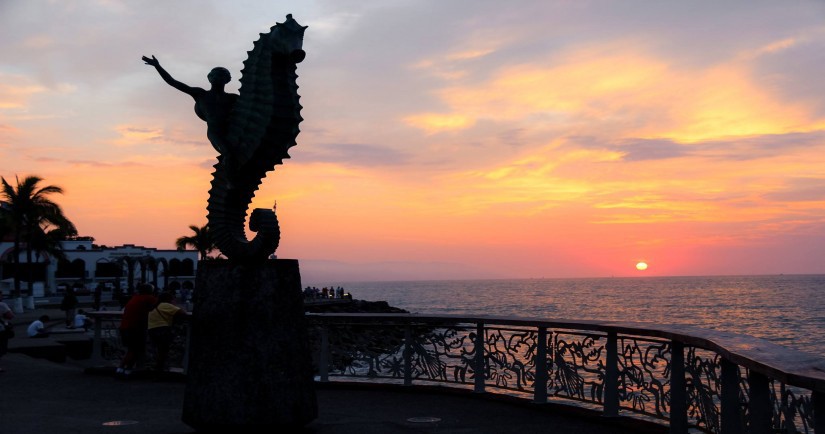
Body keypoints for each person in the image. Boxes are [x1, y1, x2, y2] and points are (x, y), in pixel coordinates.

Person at [142, 55, 239, 173]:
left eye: (220, 75)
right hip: (215, 132)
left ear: (227, 79)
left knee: (239, 154)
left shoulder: (233, 98)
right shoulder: (200, 94)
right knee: (229, 154)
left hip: (232, 130)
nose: (216, 77)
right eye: (213, 75)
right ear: (209, 78)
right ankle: (230, 184)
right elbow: (173, 82)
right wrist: (157, 66)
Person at [117, 283, 158, 377]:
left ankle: (124, 370)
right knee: (135, 350)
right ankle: (122, 369)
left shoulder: (135, 298)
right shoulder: (149, 298)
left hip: (125, 327)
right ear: (150, 291)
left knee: (133, 349)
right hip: (135, 328)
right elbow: (159, 306)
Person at [147, 291, 188, 372]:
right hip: (162, 330)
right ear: (169, 299)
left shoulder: (155, 306)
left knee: (158, 351)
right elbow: (183, 312)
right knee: (163, 352)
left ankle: (157, 370)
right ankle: (160, 370)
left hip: (152, 330)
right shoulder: (165, 305)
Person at [0, 291, 14, 372]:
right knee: (1, 348)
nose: (2, 297)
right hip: (0, 330)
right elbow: (10, 316)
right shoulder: (2, 305)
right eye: (1, 295)